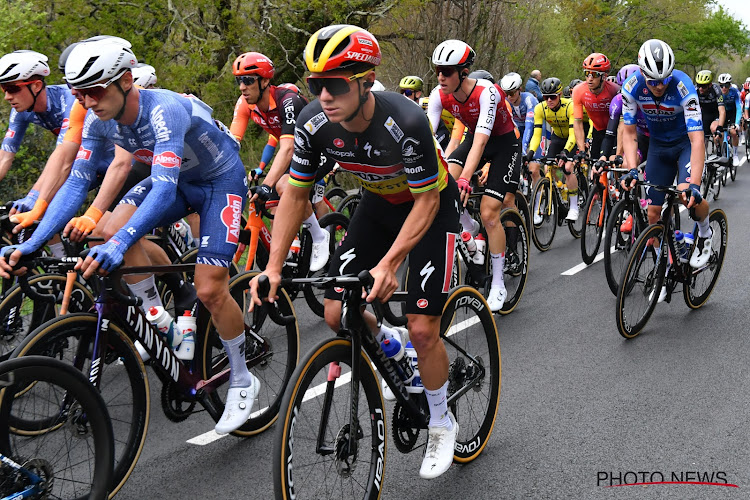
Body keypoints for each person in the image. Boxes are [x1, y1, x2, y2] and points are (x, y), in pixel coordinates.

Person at [0, 38, 256, 435]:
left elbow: (165, 189)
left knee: (209, 287)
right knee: (104, 229)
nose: (87, 101)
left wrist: (119, 244)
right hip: (172, 180)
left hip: (218, 182)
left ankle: (242, 377)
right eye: (79, 93)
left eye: (95, 90)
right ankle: (162, 320)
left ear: (124, 81)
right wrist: (31, 243)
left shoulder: (164, 109)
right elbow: (75, 184)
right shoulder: (97, 119)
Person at [249, 24, 461, 479]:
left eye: (336, 84)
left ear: (365, 81)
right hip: (379, 205)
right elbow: (295, 195)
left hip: (430, 207)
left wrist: (389, 266)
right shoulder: (312, 122)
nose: (324, 95)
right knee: (334, 312)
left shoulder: (406, 121)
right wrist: (271, 268)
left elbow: (425, 201)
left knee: (423, 328)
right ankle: (393, 347)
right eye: (315, 84)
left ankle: (442, 420)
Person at [428, 39, 521, 312]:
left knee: (490, 213)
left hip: (503, 144)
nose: (441, 77)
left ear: (464, 72)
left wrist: (466, 179)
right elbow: (424, 135)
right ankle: (468, 226)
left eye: (447, 71)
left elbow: (481, 142)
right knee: (439, 186)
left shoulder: (487, 93)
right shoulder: (438, 94)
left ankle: (499, 283)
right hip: (474, 141)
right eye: (437, 71)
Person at [620, 39, 713, 302]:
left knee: (687, 196)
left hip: (684, 144)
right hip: (658, 148)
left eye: (664, 80)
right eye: (653, 81)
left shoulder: (683, 86)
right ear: (642, 73)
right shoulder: (632, 87)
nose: (659, 86)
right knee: (652, 214)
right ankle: (667, 265)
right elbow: (628, 133)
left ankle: (705, 232)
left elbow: (697, 139)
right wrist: (631, 169)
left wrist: (694, 183)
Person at [229, 51, 331, 271]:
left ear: (265, 80)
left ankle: (319, 235)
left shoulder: (288, 100)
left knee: (286, 185)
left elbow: (287, 148)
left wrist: (266, 185)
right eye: (239, 81)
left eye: (247, 80)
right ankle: (285, 261)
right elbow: (230, 145)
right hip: (298, 151)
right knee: (274, 205)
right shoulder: (245, 104)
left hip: (322, 147)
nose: (242, 87)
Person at [525, 77, 579, 222]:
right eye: (546, 97)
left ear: (560, 95)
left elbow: (574, 134)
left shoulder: (570, 106)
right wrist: (530, 153)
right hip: (557, 138)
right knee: (548, 168)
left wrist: (565, 152)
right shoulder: (540, 108)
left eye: (553, 97)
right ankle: (556, 197)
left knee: (567, 168)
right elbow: (536, 135)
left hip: (572, 139)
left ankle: (574, 207)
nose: (549, 100)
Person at [572, 53, 620, 164]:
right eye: (587, 74)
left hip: (615, 131)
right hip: (597, 131)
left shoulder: (614, 90)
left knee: (615, 163)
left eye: (594, 74)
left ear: (604, 76)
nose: (589, 79)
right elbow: (578, 122)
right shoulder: (579, 91)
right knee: (594, 166)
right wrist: (582, 150)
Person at [500, 71, 540, 187]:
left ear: (520, 90)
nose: (509, 97)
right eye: (506, 93)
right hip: (519, 130)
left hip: (535, 130)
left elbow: (529, 126)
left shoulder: (529, 100)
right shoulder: (506, 101)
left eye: (512, 93)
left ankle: (538, 202)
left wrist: (524, 149)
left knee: (533, 169)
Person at [694, 70, 725, 150]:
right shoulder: (695, 90)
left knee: (714, 129)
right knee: (702, 138)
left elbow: (722, 111)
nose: (700, 88)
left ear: (710, 85)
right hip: (705, 114)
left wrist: (720, 127)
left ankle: (720, 151)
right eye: (699, 85)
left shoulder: (716, 89)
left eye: (703, 86)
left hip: (716, 113)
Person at [717, 73, 741, 166]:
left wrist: (737, 123)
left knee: (733, 132)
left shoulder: (734, 92)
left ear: (729, 85)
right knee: (718, 134)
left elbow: (738, 107)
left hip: (732, 113)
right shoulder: (717, 93)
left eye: (726, 85)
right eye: (721, 85)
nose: (723, 88)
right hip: (721, 113)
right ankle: (719, 152)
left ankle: (735, 154)